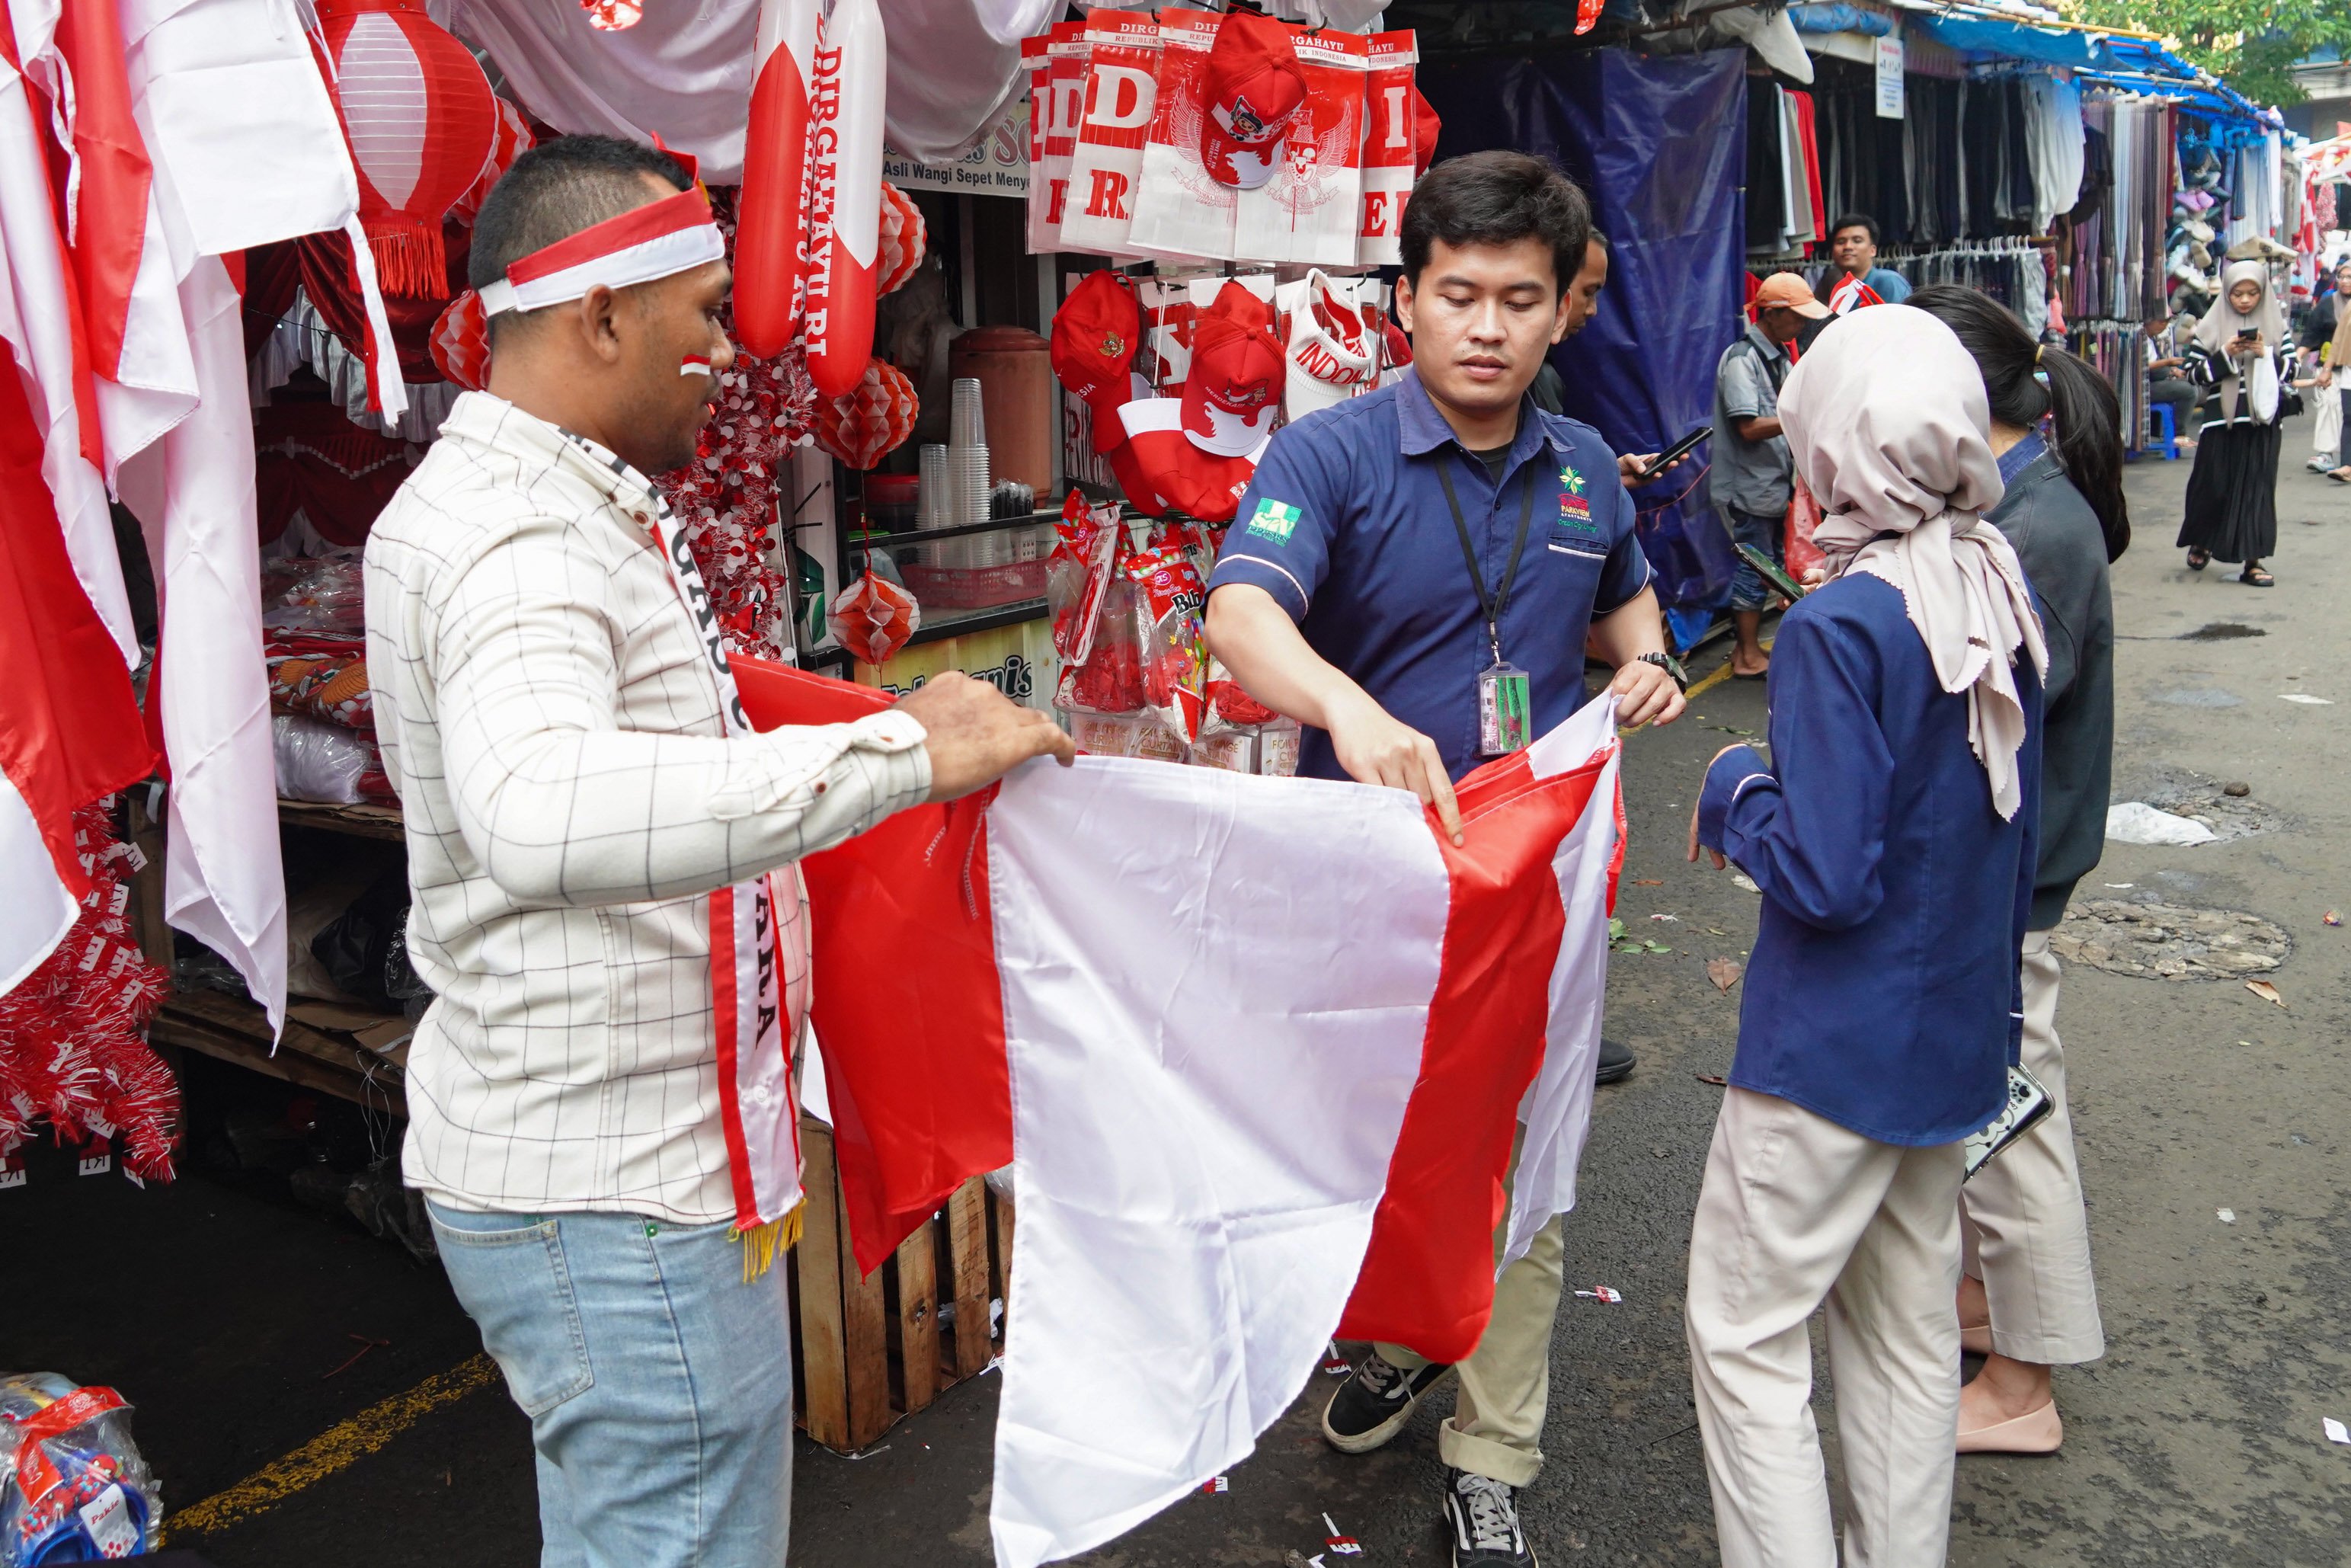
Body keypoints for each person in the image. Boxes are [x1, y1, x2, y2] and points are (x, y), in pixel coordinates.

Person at [363, 136, 1073, 1568]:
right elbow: (544, 807)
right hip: (613, 1190)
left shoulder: (536, 501)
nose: (725, 355)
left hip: (610, 1168)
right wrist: (902, 752)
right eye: (698, 314)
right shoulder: (525, 541)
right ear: (598, 316)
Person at [1204, 149, 1687, 1568]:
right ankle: (1410, 1334)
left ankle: (1492, 1449)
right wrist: (1344, 704)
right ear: (1404, 299)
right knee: (1369, 1155)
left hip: (1530, 894)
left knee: (1522, 1168)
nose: (1487, 326)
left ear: (1560, 313)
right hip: (1367, 892)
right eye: (1459, 293)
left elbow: (1625, 610)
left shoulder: (1588, 466)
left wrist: (1650, 667)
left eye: (1518, 299)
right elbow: (1241, 613)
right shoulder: (1329, 455)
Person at [1683, 304, 2046, 1568]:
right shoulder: (1992, 581)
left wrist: (1734, 789)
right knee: (1901, 1341)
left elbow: (1827, 875)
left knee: (1743, 1337)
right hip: (1948, 1044)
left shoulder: (1842, 622)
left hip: (1828, 1051)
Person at [1908, 285, 2126, 1457]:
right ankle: (1989, 1320)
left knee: (2013, 1121)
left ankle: (2023, 1384)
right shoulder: (2021, 503)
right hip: (2008, 875)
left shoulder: (2030, 532)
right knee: (1989, 1115)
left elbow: (1984, 724)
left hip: (2011, 881)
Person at [1711, 272, 1819, 680]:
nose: (1803, 324)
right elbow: (1749, 427)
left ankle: (1750, 650)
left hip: (1775, 484)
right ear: (1771, 314)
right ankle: (1746, 653)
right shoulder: (1743, 359)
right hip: (1750, 486)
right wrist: (1799, 416)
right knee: (1754, 566)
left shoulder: (1781, 355)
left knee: (1769, 564)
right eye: (1796, 316)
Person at [2176, 261, 2290, 586]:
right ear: (2226, 293)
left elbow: (2293, 372)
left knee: (2256, 491)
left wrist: (2265, 353)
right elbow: (2193, 375)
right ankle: (2202, 539)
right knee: (2212, 486)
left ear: (2262, 293)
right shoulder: (2211, 326)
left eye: (2252, 293)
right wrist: (2224, 354)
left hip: (2263, 423)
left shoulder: (2276, 325)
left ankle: (2253, 562)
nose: (2244, 301)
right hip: (2218, 423)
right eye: (2237, 294)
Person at [1825, 213, 1913, 305]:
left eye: (1857, 241)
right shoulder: (1839, 289)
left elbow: (1903, 317)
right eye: (1841, 242)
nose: (1848, 246)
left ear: (1873, 250)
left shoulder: (1889, 281)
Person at [2142, 312, 2199, 453]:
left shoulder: (2151, 339)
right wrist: (2167, 362)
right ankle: (2179, 434)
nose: (2164, 325)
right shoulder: (2138, 338)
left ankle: (2177, 433)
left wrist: (2171, 370)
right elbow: (2141, 366)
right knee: (2187, 391)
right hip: (2142, 387)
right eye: (2161, 321)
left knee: (2191, 385)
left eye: (2166, 322)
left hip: (2154, 381)